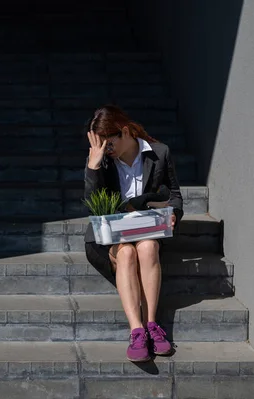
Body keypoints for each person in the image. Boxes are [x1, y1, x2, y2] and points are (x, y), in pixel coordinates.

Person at [83, 104, 184, 362]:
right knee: (127, 254)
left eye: (109, 143)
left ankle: (152, 326)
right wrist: (93, 166)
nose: (107, 149)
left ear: (125, 132)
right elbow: (94, 207)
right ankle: (136, 332)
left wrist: (173, 213)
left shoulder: (159, 153)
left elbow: (174, 195)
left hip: (147, 228)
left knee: (148, 247)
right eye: (101, 145)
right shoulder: (101, 161)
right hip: (110, 236)